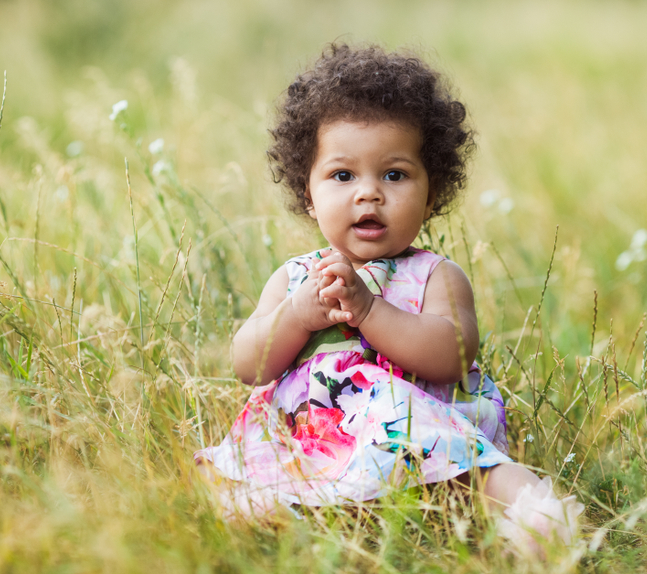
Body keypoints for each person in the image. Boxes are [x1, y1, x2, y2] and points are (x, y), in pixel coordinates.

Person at [195, 44, 582, 557]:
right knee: (240, 480)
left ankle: (536, 519)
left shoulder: (435, 276)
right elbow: (250, 364)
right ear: (308, 194)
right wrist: (297, 315)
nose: (369, 194)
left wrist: (372, 312)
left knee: (470, 467)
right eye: (342, 175)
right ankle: (301, 526)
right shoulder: (295, 278)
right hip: (314, 436)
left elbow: (452, 356)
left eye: (394, 175)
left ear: (432, 190)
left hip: (412, 432)